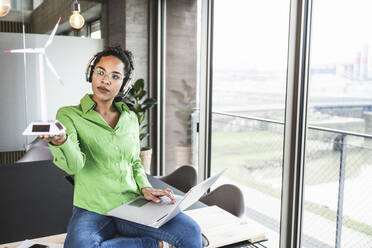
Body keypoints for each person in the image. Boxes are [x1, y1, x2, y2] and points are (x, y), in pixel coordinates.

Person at [39, 46, 202, 248]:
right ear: (91, 73)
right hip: (92, 209)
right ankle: (151, 244)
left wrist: (146, 187)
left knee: (192, 232)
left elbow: (134, 161)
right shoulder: (69, 115)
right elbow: (74, 166)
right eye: (100, 72)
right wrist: (61, 142)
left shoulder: (130, 118)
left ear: (124, 84)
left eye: (115, 76)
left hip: (132, 205)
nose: (105, 80)